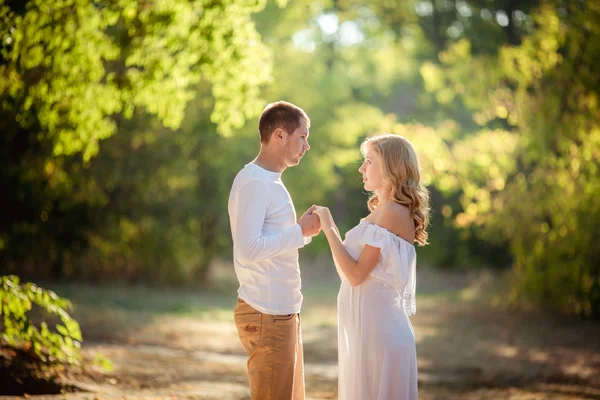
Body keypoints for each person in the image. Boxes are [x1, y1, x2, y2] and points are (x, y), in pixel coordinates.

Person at [312, 133, 430, 400]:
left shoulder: (391, 213)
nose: (361, 169)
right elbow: (348, 272)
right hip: (367, 331)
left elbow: (355, 276)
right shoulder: (380, 211)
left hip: (380, 334)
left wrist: (329, 228)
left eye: (369, 162)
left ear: (391, 167)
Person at [228, 101, 321, 400]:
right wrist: (299, 231)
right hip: (266, 315)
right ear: (279, 135)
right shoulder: (254, 182)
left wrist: (303, 234)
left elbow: (272, 242)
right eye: (302, 137)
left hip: (282, 314)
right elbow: (249, 250)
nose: (307, 145)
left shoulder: (270, 181)